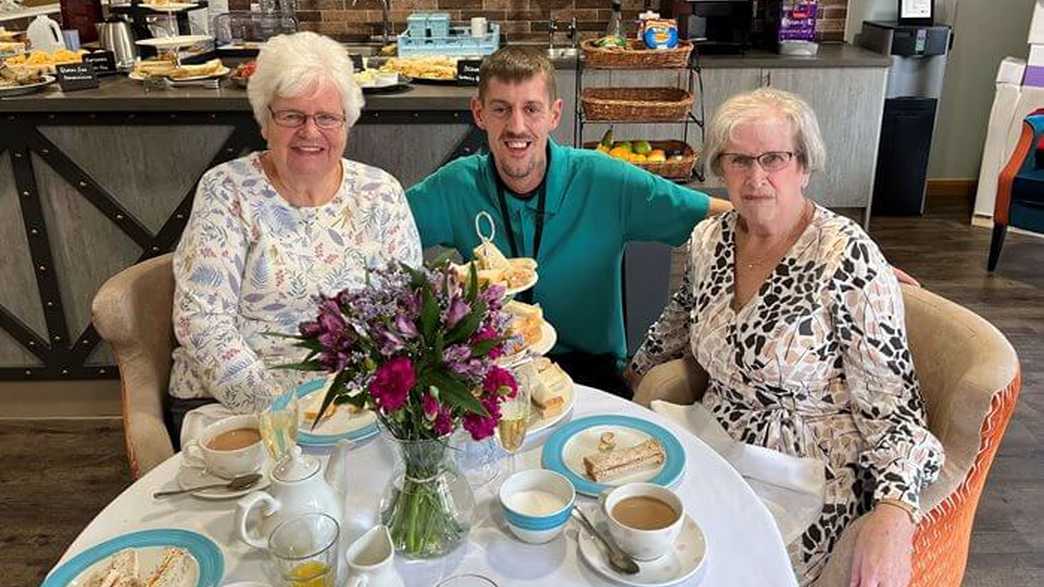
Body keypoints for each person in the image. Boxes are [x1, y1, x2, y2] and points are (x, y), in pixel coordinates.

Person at [628, 88, 944, 586]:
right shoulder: (710, 239)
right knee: (636, 535)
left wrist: (894, 515)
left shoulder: (846, 257)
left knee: (713, 566)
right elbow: (681, 315)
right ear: (721, 167)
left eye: (774, 158)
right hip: (716, 438)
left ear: (804, 165)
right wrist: (633, 372)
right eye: (739, 160)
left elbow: (896, 410)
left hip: (807, 470)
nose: (755, 178)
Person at [406, 46, 731, 398]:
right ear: (479, 113)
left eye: (532, 109)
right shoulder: (455, 185)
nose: (516, 126)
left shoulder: (605, 178)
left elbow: (716, 215)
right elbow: (378, 229)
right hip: (490, 368)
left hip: (591, 368)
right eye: (501, 109)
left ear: (554, 114)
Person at [168, 32, 421, 436]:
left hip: (354, 406)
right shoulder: (228, 190)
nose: (310, 131)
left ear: (347, 122)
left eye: (327, 117)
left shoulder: (381, 193)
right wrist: (288, 416)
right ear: (265, 121)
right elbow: (203, 322)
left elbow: (405, 313)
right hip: (236, 404)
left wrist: (371, 401)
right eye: (291, 116)